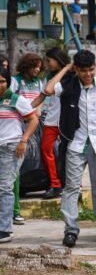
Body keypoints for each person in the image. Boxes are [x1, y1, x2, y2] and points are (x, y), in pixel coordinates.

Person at [43, 50, 96, 248]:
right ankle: (71, 230)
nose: (88, 74)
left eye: (91, 70)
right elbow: (48, 90)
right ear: (76, 69)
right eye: (83, 71)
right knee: (71, 188)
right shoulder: (68, 85)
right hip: (76, 143)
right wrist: (66, 68)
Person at [0, 65, 39, 243]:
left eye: (2, 81)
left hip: (11, 147)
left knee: (5, 187)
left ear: (8, 82)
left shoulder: (16, 99)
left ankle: (5, 229)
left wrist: (23, 140)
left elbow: (33, 119)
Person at [31, 48, 71, 199]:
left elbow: (50, 89)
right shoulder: (50, 76)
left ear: (57, 59)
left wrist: (66, 68)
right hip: (52, 120)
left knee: (69, 153)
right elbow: (43, 95)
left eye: (49, 60)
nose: (47, 64)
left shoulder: (72, 75)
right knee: (46, 150)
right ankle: (55, 185)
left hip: (68, 121)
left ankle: (73, 185)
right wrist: (25, 109)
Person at [11, 53, 45, 225]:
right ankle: (14, 208)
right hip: (19, 126)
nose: (37, 69)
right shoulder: (15, 81)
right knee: (14, 169)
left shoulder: (39, 82)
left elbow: (40, 103)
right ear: (26, 66)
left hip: (34, 125)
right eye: (34, 66)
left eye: (39, 66)